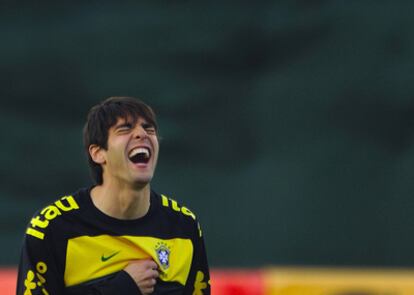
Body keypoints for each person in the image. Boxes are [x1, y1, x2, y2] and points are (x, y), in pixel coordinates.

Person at [16, 96, 210, 295]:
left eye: (149, 129)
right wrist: (122, 288)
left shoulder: (183, 226)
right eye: (125, 129)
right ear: (98, 153)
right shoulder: (52, 229)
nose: (142, 134)